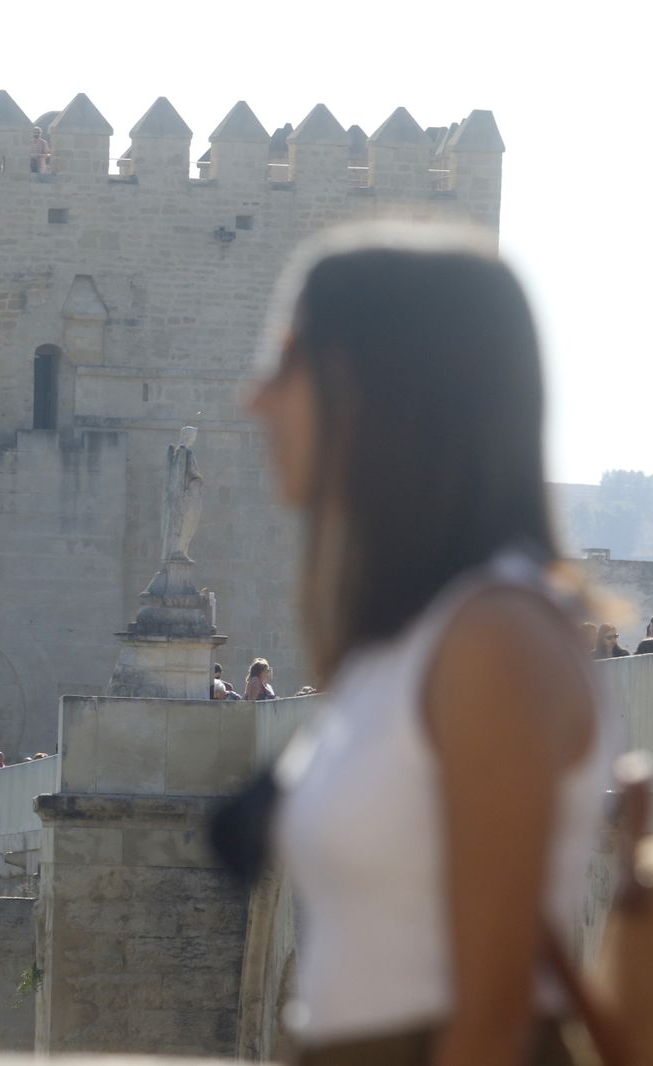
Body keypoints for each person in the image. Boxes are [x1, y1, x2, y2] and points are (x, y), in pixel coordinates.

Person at [253, 224, 613, 1065]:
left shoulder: (495, 641)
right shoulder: (413, 639)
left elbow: (492, 1019)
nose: (256, 399)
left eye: (287, 364)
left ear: (380, 391)